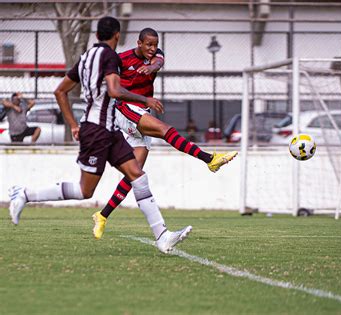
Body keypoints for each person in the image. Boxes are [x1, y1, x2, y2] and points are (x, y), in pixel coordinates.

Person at [8, 16, 191, 254]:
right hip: (97, 131)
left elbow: (60, 91)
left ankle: (162, 236)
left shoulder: (85, 57)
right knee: (85, 190)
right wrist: (144, 99)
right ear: (117, 36)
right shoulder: (110, 57)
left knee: (137, 175)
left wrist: (73, 124)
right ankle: (23, 194)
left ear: (96, 36)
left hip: (108, 129)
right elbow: (114, 90)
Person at [92, 28, 237, 239]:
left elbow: (159, 62)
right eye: (148, 44)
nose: (152, 48)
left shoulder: (157, 55)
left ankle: (102, 215)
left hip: (142, 111)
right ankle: (209, 159)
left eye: (154, 44)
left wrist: (151, 67)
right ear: (139, 43)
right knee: (165, 130)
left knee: (135, 173)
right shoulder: (121, 59)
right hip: (126, 109)